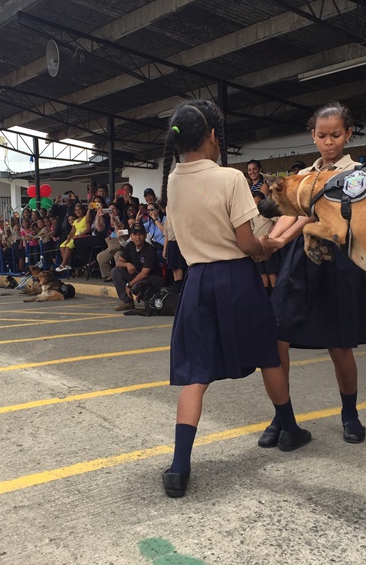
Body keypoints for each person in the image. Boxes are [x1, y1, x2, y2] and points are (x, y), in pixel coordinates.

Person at [158, 99, 305, 499]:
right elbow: (247, 243)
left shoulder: (172, 180)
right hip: (237, 279)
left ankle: (179, 466)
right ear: (211, 136)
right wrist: (268, 246)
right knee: (267, 355)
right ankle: (289, 428)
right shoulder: (230, 178)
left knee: (195, 374)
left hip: (197, 281)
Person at [266, 102, 366, 446]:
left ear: (348, 134)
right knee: (277, 338)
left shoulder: (359, 174)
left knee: (340, 346)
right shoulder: (304, 176)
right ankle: (282, 417)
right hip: (300, 260)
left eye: (335, 135)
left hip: (340, 260)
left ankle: (350, 414)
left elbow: (315, 217)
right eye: (322, 135)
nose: (328, 142)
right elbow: (289, 213)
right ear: (312, 135)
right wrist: (270, 242)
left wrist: (279, 241)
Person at [109, 223, 163, 311]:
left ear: (145, 235)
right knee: (115, 271)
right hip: (138, 275)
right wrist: (127, 264)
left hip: (152, 278)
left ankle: (149, 300)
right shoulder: (130, 246)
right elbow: (119, 262)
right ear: (131, 236)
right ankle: (127, 302)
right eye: (135, 234)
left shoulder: (150, 250)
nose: (138, 237)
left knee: (136, 287)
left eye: (141, 234)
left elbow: (144, 274)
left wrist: (129, 285)